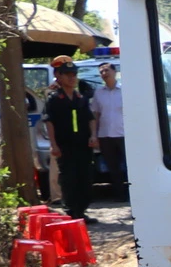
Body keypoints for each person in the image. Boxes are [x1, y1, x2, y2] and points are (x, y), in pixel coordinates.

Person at [43, 56, 96, 219]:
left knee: (85, 178)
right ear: (58, 76)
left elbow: (90, 118)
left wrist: (93, 135)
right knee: (69, 178)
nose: (72, 78)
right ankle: (71, 211)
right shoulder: (54, 99)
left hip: (83, 144)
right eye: (67, 74)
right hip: (65, 145)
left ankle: (82, 210)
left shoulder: (80, 98)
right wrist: (53, 145)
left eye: (74, 74)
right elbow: (49, 121)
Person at [90, 59, 126, 188]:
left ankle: (135, 193)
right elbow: (95, 115)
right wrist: (94, 135)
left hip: (124, 134)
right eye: (101, 72)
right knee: (113, 167)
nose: (104, 73)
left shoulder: (125, 90)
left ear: (115, 72)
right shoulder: (98, 93)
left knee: (131, 165)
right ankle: (119, 193)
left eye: (107, 70)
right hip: (105, 136)